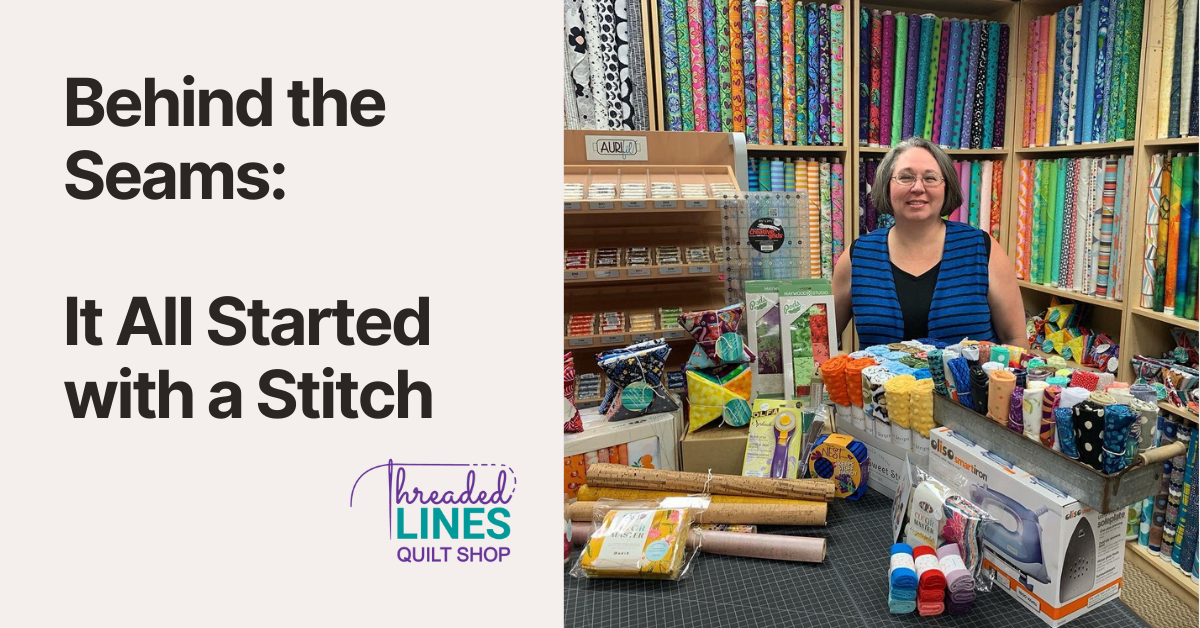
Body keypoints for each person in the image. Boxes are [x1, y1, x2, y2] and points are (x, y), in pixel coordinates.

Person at [831, 137, 1025, 347]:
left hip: (971, 381)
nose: (917, 187)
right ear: (886, 186)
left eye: (930, 178)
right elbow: (820, 339)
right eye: (905, 177)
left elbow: (1014, 340)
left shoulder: (982, 250)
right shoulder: (858, 256)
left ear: (946, 187)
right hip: (877, 381)